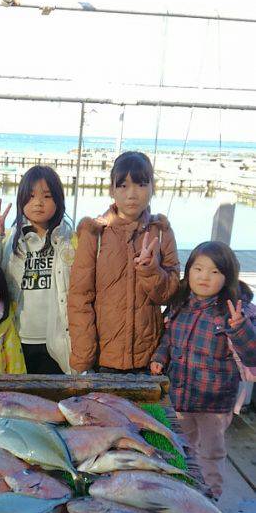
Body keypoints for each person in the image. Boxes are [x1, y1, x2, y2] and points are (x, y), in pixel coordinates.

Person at [150, 241, 256, 498]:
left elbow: (251, 353)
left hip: (214, 404)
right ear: (189, 271)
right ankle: (181, 492)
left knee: (209, 453)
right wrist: (159, 357)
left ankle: (210, 500)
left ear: (228, 276)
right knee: (180, 447)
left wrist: (239, 326)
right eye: (198, 269)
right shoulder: (179, 305)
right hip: (180, 396)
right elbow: (168, 338)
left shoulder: (234, 311)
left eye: (215, 272)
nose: (204, 277)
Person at [68, 150, 180, 373]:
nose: (132, 194)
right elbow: (79, 297)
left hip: (150, 359)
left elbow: (169, 294)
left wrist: (151, 271)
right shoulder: (95, 233)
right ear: (111, 190)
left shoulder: (161, 232)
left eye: (140, 184)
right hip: (102, 358)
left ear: (152, 188)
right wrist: (84, 353)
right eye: (123, 186)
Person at [0, 165, 76, 373]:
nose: (38, 203)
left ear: (58, 201)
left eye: (47, 196)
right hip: (16, 338)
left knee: (52, 400)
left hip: (58, 341)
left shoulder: (70, 241)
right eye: (30, 196)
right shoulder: (10, 241)